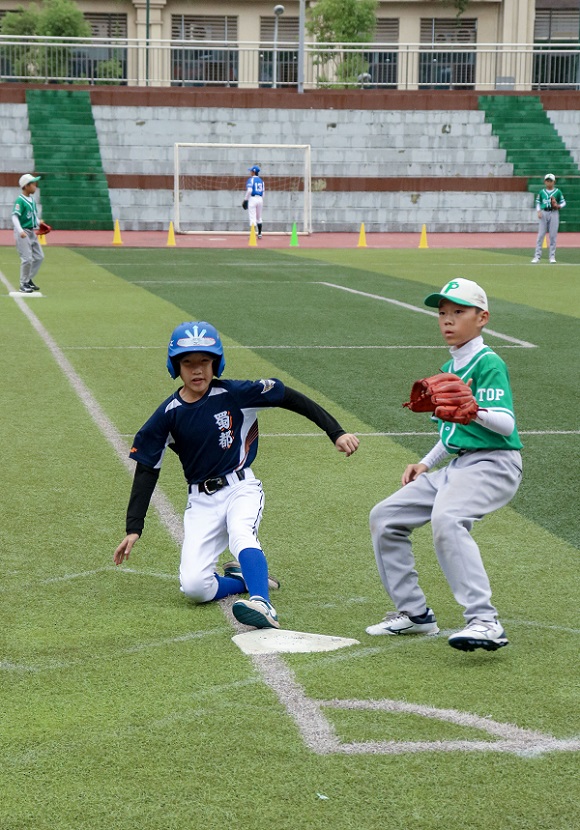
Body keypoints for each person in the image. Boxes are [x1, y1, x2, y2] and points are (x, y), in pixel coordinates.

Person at [114, 321, 359, 630]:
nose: (197, 369)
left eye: (205, 361)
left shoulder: (235, 394)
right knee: (194, 587)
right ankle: (245, 580)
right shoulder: (168, 414)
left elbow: (287, 395)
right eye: (188, 362)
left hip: (240, 487)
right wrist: (134, 527)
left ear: (216, 363)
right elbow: (147, 469)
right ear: (175, 367)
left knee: (242, 534)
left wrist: (335, 431)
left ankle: (262, 602)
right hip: (200, 502)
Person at [367, 279, 523, 652]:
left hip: (494, 463)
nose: (448, 320)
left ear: (482, 318)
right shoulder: (450, 367)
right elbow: (453, 432)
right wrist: (425, 463)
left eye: (458, 312)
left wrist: (475, 410)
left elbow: (506, 425)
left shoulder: (488, 362)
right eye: (442, 313)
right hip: (460, 465)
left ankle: (485, 622)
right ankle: (416, 615)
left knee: (448, 519)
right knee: (385, 517)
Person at [12, 173, 44, 293]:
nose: (35, 186)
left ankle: (28, 279)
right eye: (33, 184)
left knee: (39, 257)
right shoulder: (20, 200)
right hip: (23, 231)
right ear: (26, 186)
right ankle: (23, 284)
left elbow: (33, 217)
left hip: (31, 231)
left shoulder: (32, 200)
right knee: (27, 258)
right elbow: (14, 217)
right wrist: (20, 231)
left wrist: (40, 224)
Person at [532, 173, 566, 264]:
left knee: (553, 235)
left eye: (551, 181)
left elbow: (563, 202)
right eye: (547, 181)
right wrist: (538, 211)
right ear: (545, 182)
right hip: (544, 212)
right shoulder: (542, 192)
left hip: (554, 212)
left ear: (554, 182)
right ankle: (537, 256)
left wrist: (558, 206)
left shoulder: (557, 192)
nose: (549, 182)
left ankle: (552, 256)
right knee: (540, 235)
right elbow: (538, 202)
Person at [242, 165, 264, 239]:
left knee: (252, 217)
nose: (250, 172)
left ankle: (252, 234)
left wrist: (245, 199)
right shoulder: (261, 180)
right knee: (259, 217)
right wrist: (261, 199)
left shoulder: (251, 180)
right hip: (260, 198)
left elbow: (249, 190)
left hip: (253, 198)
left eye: (251, 171)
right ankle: (260, 233)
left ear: (254, 172)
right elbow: (263, 192)